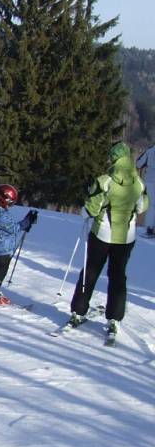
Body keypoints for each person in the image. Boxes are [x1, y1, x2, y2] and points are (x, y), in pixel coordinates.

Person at [69, 142, 149, 337]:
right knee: (118, 275)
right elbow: (142, 207)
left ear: (113, 159)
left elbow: (92, 208)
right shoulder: (138, 182)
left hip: (102, 234)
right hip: (126, 237)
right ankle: (114, 317)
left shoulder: (104, 180)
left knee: (91, 271)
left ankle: (78, 311)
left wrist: (86, 210)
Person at [135, 142, 155, 237]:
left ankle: (150, 229)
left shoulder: (150, 151)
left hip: (151, 180)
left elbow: (139, 164)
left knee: (151, 205)